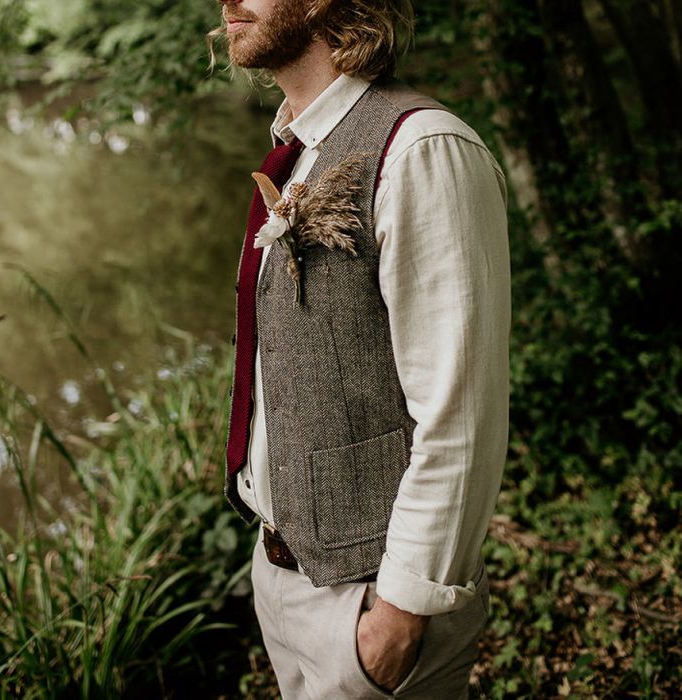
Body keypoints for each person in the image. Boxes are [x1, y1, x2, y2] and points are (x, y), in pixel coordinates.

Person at [213, 1, 510, 697]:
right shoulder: (298, 153)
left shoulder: (423, 149)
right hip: (284, 578)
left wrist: (398, 616)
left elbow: (460, 415)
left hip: (373, 605)